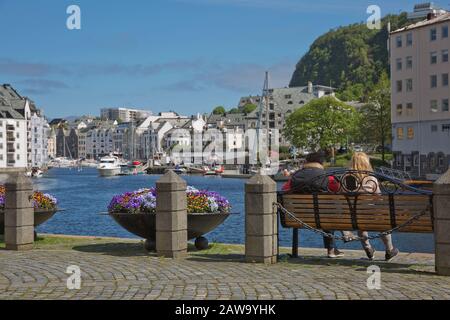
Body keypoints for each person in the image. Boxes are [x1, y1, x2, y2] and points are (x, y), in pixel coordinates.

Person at [282, 152, 344, 258]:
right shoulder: (326, 176)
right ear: (321, 163)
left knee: (324, 211)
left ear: (307, 162)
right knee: (327, 211)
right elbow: (338, 189)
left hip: (297, 217)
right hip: (322, 217)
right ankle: (331, 250)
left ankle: (295, 251)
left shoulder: (296, 176)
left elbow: (284, 189)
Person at [348, 152, 400, 261]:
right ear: (366, 163)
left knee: (360, 223)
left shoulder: (345, 178)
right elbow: (379, 198)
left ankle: (368, 249)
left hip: (352, 216)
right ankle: (389, 249)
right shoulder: (371, 179)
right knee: (382, 222)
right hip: (371, 214)